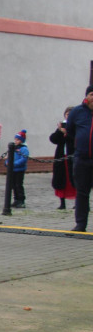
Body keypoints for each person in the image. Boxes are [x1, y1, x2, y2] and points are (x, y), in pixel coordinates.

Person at [65, 86, 93, 232]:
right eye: (92, 94)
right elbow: (70, 130)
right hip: (82, 159)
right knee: (82, 193)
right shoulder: (77, 112)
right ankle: (81, 224)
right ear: (86, 96)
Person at [50, 108, 75, 210]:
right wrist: (60, 131)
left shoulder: (75, 126)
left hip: (72, 156)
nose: (68, 115)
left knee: (73, 179)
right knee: (60, 179)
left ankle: (77, 202)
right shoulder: (62, 126)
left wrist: (67, 133)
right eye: (67, 114)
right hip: (61, 157)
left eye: (70, 114)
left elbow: (75, 140)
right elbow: (53, 139)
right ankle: (62, 203)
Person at [9, 130, 29, 208]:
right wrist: (7, 162)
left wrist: (14, 164)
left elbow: (23, 159)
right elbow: (10, 156)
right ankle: (16, 199)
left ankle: (21, 200)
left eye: (17, 139)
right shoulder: (14, 148)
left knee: (18, 185)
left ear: (21, 140)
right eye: (15, 139)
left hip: (20, 170)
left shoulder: (24, 149)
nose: (16, 141)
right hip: (13, 170)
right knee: (13, 185)